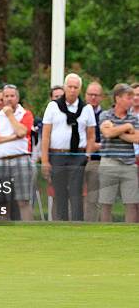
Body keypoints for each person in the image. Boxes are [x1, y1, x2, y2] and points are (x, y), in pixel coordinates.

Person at [41, 73, 96, 221]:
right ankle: (61, 223)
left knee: (76, 192)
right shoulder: (53, 107)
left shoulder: (87, 109)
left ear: (80, 89)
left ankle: (78, 224)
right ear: (65, 87)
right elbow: (45, 135)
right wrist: (45, 160)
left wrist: (88, 155)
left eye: (75, 87)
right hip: (57, 155)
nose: (72, 90)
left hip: (78, 156)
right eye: (70, 87)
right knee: (59, 193)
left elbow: (91, 136)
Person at [0, 84, 35, 221]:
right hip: (0, 160)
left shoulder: (25, 114)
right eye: (6, 96)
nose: (8, 99)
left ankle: (29, 230)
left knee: (23, 200)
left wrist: (9, 115)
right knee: (2, 202)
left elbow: (22, 131)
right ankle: (2, 232)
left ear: (17, 98)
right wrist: (12, 137)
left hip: (21, 159)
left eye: (12, 96)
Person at [98, 84, 139, 222]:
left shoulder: (134, 118)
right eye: (128, 97)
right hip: (109, 163)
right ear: (118, 98)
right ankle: (105, 234)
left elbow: (137, 138)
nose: (132, 100)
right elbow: (107, 133)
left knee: (131, 203)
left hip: (129, 164)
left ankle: (128, 234)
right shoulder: (105, 115)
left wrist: (116, 129)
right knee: (106, 202)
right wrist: (126, 127)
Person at [84, 82, 104, 221]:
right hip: (77, 159)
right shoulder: (79, 112)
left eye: (96, 95)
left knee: (93, 198)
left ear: (101, 97)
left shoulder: (105, 116)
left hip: (96, 161)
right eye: (90, 94)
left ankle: (90, 226)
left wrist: (91, 146)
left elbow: (105, 143)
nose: (93, 97)